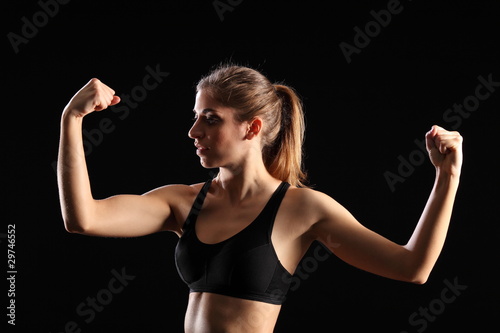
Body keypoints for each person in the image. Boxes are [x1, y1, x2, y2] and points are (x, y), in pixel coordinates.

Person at [57, 64, 463, 332]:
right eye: (195, 117)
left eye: (210, 119)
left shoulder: (304, 209)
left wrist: (447, 176)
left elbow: (413, 267)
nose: (193, 131)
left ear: (251, 129)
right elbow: (85, 219)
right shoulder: (181, 202)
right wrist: (72, 120)